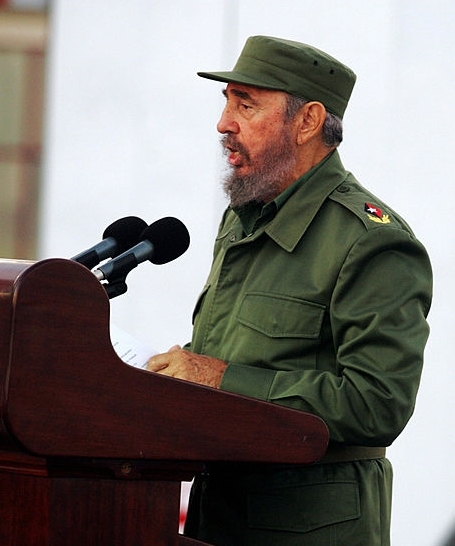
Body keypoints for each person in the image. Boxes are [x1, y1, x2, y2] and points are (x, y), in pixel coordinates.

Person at [147, 35, 432, 546]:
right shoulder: (245, 217)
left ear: (308, 122)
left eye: (246, 104)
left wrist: (219, 379)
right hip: (219, 518)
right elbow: (237, 355)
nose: (223, 123)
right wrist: (173, 374)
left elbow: (378, 403)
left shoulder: (370, 239)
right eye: (227, 101)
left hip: (308, 529)